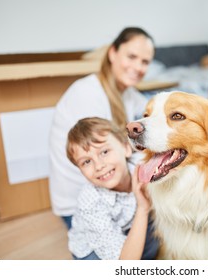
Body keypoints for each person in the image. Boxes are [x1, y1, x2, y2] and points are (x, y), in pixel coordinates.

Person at [49, 27, 154, 229]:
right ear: (112, 53)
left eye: (145, 61)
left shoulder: (127, 93)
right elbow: (106, 157)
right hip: (80, 204)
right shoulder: (88, 94)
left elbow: (153, 108)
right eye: (131, 56)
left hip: (110, 188)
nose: (138, 67)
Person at [66, 117, 159, 260]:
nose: (99, 166)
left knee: (154, 244)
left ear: (126, 148)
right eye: (86, 162)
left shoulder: (141, 165)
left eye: (104, 152)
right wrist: (143, 208)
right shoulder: (90, 202)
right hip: (93, 249)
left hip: (129, 226)